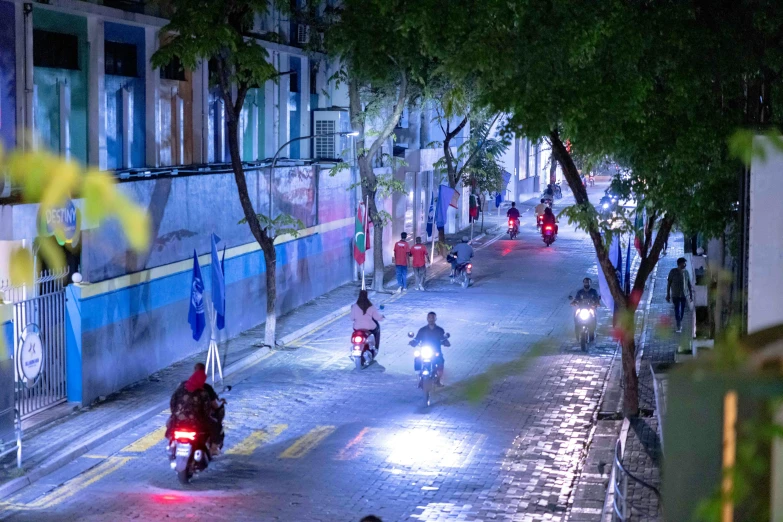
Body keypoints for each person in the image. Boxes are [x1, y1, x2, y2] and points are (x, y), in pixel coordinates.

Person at [168, 363, 224, 455]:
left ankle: (172, 442)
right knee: (216, 425)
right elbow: (206, 411)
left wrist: (175, 414)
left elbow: (172, 402)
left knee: (169, 423)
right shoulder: (203, 392)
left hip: (179, 420)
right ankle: (213, 448)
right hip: (196, 422)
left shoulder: (181, 387)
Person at [411, 312, 450, 385]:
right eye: (429, 317)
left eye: (433, 318)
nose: (431, 319)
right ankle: (419, 376)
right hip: (424, 350)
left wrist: (446, 342)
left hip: (436, 351)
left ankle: (438, 380)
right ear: (427, 319)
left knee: (441, 362)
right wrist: (413, 342)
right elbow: (417, 339)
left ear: (435, 319)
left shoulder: (440, 330)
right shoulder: (422, 330)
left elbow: (443, 339)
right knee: (417, 358)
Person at [666, 257, 693, 333]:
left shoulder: (686, 272)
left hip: (684, 295)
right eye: (684, 263)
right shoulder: (673, 272)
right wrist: (668, 294)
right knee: (677, 309)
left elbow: (689, 284)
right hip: (675, 294)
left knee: (682, 310)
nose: (685, 264)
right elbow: (669, 283)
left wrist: (690, 294)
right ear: (680, 264)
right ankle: (678, 324)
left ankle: (679, 321)